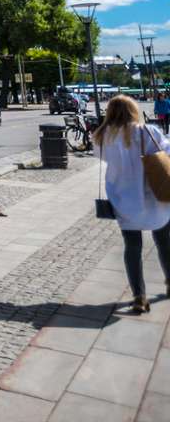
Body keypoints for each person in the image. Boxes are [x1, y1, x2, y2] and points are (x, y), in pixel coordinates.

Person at [94, 95, 170, 314]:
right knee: (164, 241)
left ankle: (139, 295)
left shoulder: (103, 135)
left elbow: (102, 158)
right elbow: (165, 153)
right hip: (154, 193)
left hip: (124, 197)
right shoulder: (148, 131)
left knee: (133, 247)